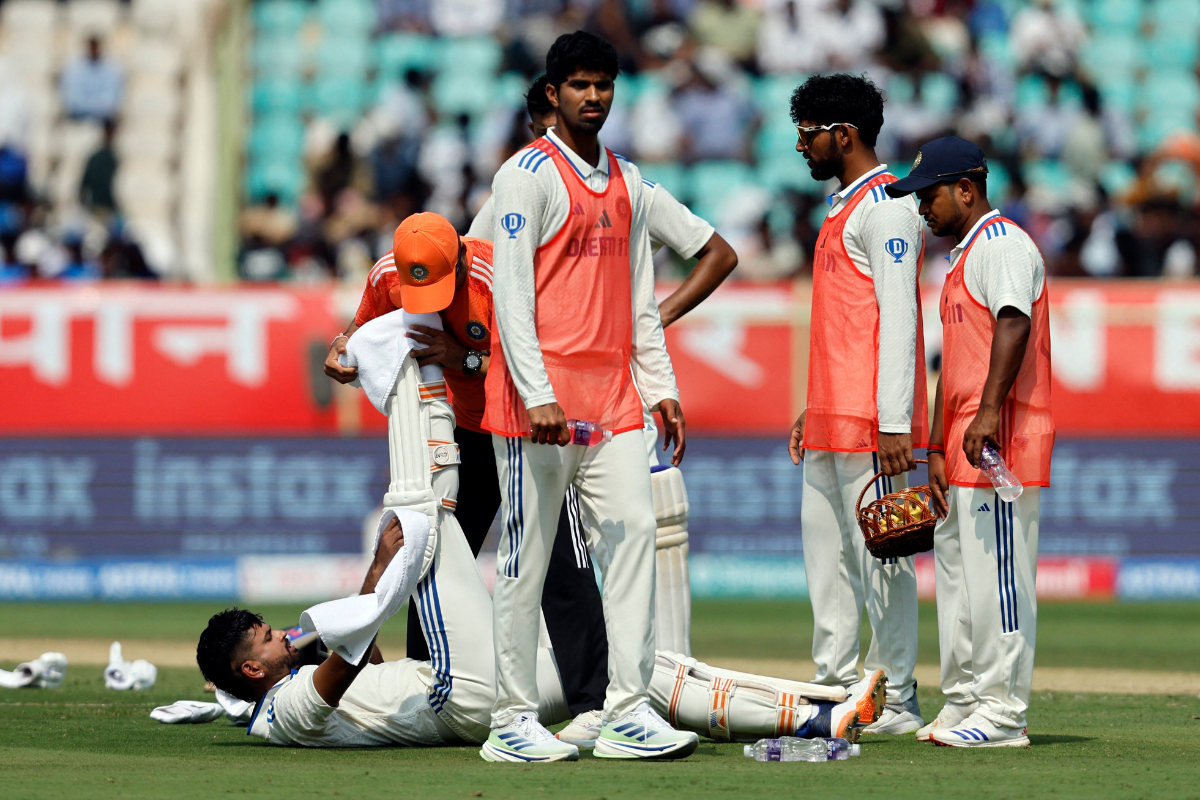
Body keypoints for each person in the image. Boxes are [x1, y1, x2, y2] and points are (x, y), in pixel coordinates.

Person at [482, 30, 692, 762]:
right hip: (536, 406)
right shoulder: (526, 175)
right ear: (552, 93)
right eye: (579, 85)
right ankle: (510, 721)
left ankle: (626, 711)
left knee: (634, 536)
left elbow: (641, 300)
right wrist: (536, 391)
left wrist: (660, 386)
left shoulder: (629, 180)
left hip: (613, 401)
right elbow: (510, 295)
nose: (594, 97)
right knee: (526, 557)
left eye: (603, 84)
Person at [885, 137, 1054, 748]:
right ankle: (962, 701)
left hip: (1000, 442)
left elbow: (1014, 321)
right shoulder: (960, 258)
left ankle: (1004, 712)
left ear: (966, 188)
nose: (922, 208)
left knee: (999, 578)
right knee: (958, 581)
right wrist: (934, 449)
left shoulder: (1003, 244)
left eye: (928, 195)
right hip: (960, 448)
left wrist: (985, 415)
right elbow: (951, 369)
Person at [785, 74, 928, 735]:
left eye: (809, 134)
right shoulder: (842, 206)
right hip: (830, 417)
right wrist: (809, 408)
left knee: (884, 560)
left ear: (844, 135)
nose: (799, 146)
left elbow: (899, 322)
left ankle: (896, 696)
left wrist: (895, 421)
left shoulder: (890, 208)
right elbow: (844, 325)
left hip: (874, 423)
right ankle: (837, 688)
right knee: (829, 567)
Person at [59, 37, 124, 123]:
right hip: (78, 111)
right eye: (91, 46)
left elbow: (112, 96)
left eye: (96, 46)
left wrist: (99, 107)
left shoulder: (111, 68)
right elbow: (71, 95)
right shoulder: (74, 67)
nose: (94, 50)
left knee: (116, 119)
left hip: (104, 113)